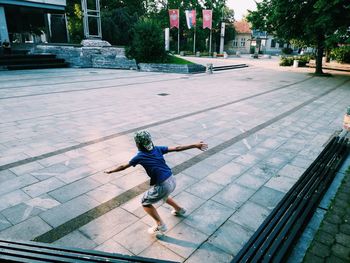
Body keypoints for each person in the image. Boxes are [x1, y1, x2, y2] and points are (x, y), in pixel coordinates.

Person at [104, 130, 208, 235]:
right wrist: (195, 145)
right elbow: (177, 148)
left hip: (163, 185)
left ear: (137, 144)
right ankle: (179, 209)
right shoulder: (157, 149)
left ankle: (160, 225)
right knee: (164, 196)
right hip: (172, 179)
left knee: (145, 202)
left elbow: (123, 167)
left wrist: (111, 171)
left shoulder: (140, 156)